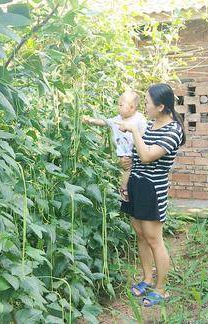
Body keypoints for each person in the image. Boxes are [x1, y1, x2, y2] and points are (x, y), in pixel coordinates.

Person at [116, 83, 185, 307]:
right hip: (136, 184)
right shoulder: (151, 125)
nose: (144, 106)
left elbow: (147, 156)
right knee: (140, 234)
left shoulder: (173, 130)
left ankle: (161, 288)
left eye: (147, 103)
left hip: (153, 189)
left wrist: (134, 130)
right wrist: (127, 161)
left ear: (161, 106)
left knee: (154, 239)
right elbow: (138, 156)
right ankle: (147, 278)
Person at [82, 90, 147, 201]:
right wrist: (90, 120)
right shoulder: (117, 119)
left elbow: (145, 132)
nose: (118, 107)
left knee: (128, 170)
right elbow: (105, 122)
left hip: (134, 150)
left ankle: (124, 189)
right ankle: (124, 189)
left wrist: (138, 141)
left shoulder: (139, 119)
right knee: (126, 169)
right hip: (123, 151)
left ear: (131, 107)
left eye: (121, 105)